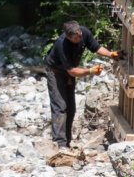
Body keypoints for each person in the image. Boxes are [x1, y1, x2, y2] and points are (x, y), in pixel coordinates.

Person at [43, 20, 121, 149]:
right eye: (75, 38)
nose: (79, 39)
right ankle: (59, 143)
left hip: (69, 72)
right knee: (60, 106)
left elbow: (95, 47)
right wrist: (90, 71)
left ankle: (66, 141)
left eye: (80, 35)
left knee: (71, 108)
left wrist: (110, 54)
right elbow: (72, 71)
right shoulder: (61, 45)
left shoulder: (84, 32)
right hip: (56, 72)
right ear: (68, 37)